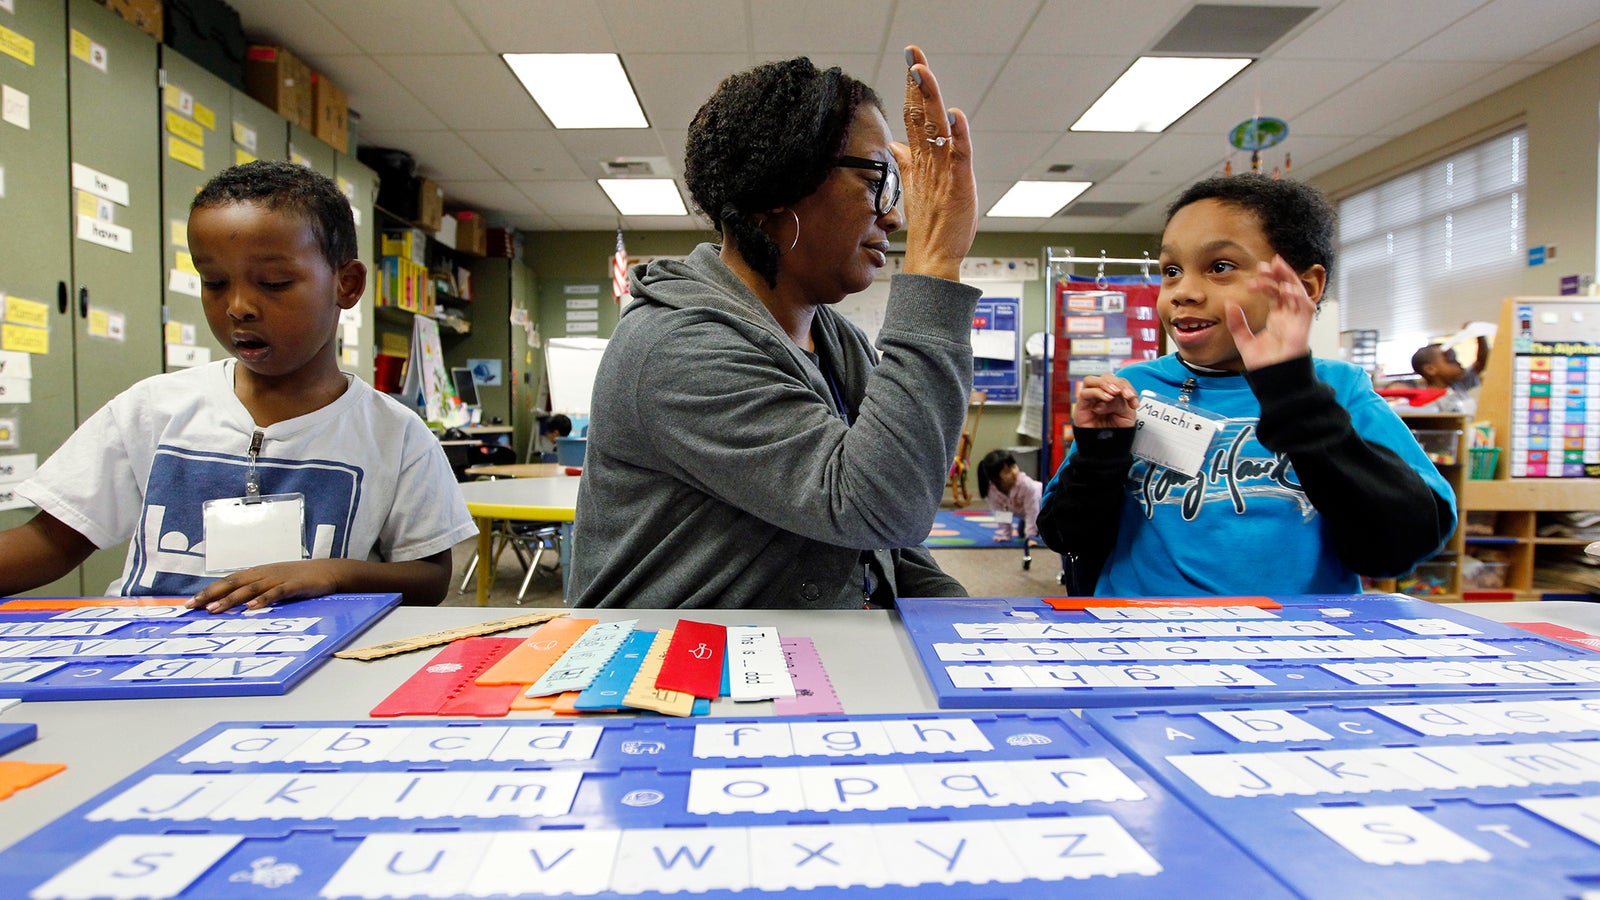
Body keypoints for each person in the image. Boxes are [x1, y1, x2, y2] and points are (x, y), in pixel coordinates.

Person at [570, 46, 980, 609]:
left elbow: (886, 542)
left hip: (792, 658)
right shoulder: (677, 349)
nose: (895, 215)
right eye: (875, 181)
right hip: (681, 678)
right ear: (779, 187)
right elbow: (880, 502)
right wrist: (935, 268)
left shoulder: (835, 341)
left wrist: (960, 618)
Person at [0, 160, 478, 610]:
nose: (238, 307)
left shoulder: (396, 435)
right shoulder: (153, 408)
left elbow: (429, 579)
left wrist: (335, 574)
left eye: (272, 283)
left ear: (346, 285)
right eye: (214, 282)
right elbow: (50, 542)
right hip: (146, 658)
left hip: (307, 660)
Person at [1037, 174, 1457, 596]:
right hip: (1144, 637)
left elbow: (1399, 546)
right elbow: (1066, 536)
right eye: (1171, 271)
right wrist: (1100, 452)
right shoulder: (1134, 388)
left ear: (1305, 286)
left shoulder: (1338, 389)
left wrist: (1293, 393)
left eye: (1220, 268)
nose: (1183, 292)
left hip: (1291, 644)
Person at [1411, 333, 1490, 413]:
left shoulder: (1458, 386)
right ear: (1430, 369)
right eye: (1451, 360)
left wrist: (1479, 334)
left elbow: (1481, 362)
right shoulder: (1427, 402)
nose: (1459, 363)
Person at [976, 449, 1041, 544]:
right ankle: (1033, 527)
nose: (1014, 472)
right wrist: (1006, 535)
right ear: (996, 477)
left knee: (1052, 533)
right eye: (1007, 471)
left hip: (1046, 509)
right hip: (1025, 514)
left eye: (1014, 466)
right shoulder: (992, 491)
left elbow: (1033, 511)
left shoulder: (1026, 485)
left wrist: (1031, 536)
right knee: (1022, 532)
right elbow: (1001, 513)